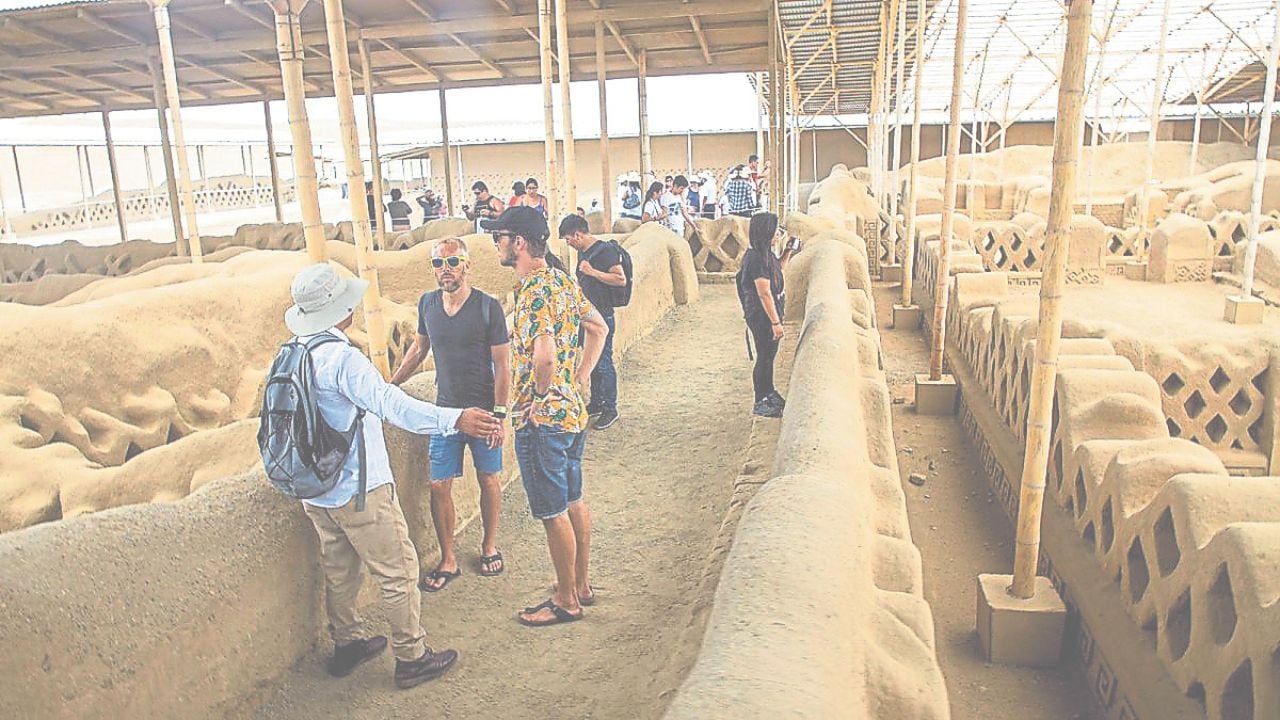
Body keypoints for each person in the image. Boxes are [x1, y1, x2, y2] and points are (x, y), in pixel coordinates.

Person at [282, 263, 501, 688]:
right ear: (340, 309)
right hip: (358, 488)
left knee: (339, 569)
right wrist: (455, 419)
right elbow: (392, 406)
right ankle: (412, 655)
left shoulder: (292, 352)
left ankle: (347, 645)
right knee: (399, 571)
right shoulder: (342, 359)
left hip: (314, 489)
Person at [481, 206, 608, 627]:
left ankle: (567, 600)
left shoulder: (534, 289)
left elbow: (545, 356)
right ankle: (581, 585)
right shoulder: (561, 280)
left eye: (498, 236)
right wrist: (578, 379)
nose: (495, 244)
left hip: (544, 421)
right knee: (573, 499)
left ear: (517, 242)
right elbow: (598, 329)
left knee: (553, 511)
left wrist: (537, 397)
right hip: (571, 413)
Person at [390, 237, 511, 592]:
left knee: (489, 479)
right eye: (438, 264)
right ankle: (448, 557)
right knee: (439, 484)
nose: (445, 269)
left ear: (467, 265)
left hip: (485, 410)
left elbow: (502, 365)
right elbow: (419, 348)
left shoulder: (488, 308)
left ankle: (489, 544)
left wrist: (500, 414)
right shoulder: (427, 304)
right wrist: (391, 385)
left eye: (453, 262)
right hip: (445, 412)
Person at [560, 213, 624, 430]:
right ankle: (596, 403)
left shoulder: (605, 251)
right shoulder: (583, 252)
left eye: (568, 239)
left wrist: (592, 272)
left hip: (602, 316)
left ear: (577, 234)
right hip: (587, 316)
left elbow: (619, 278)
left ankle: (610, 408)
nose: (568, 243)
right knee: (593, 361)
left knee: (604, 362)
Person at [735, 212, 797, 418]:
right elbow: (764, 293)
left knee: (769, 355)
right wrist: (775, 322)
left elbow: (777, 269)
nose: (778, 234)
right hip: (762, 316)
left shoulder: (764, 254)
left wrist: (787, 251)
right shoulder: (755, 259)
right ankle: (760, 399)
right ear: (765, 233)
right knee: (764, 356)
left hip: (767, 314)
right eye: (775, 230)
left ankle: (769, 391)